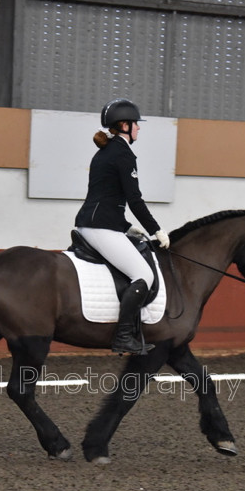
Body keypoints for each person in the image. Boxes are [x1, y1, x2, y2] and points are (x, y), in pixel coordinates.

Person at [74, 98, 170, 355]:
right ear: (125, 125)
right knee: (144, 276)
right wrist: (155, 230)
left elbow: (106, 196)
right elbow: (134, 200)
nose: (139, 128)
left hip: (94, 224)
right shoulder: (123, 154)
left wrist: (127, 227)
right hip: (100, 228)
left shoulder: (103, 152)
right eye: (136, 124)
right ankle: (124, 337)